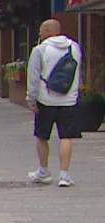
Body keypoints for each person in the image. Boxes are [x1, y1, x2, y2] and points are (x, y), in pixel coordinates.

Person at [26, 19, 83, 187]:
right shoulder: (75, 47)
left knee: (42, 136)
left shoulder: (40, 50)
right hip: (69, 100)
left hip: (46, 100)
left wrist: (31, 98)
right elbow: (78, 74)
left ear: (46, 32)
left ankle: (43, 171)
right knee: (66, 137)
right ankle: (64, 175)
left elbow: (33, 76)